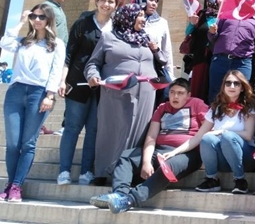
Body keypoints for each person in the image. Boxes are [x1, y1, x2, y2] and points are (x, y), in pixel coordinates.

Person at [88, 78, 209, 214]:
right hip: (159, 151)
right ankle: (119, 194)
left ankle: (131, 199)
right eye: (172, 92)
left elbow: (210, 126)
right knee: (127, 156)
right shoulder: (162, 108)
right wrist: (146, 161)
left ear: (188, 95)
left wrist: (176, 152)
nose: (175, 96)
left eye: (180, 93)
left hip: (187, 154)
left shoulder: (197, 104)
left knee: (167, 167)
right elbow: (151, 137)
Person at [85, 3, 168, 181]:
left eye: (143, 16)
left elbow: (163, 61)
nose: (143, 19)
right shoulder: (108, 37)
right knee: (111, 131)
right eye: (139, 15)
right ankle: (103, 172)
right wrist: (92, 76)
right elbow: (93, 63)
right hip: (116, 93)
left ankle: (132, 172)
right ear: (127, 17)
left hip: (146, 92)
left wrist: (155, 49)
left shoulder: (146, 38)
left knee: (140, 132)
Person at [57, 0, 125, 186]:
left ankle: (87, 170)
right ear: (97, 1)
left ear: (116, 5)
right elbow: (69, 54)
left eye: (111, 1)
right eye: (103, 0)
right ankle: (64, 171)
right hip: (77, 83)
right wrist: (62, 80)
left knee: (94, 130)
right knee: (72, 128)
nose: (106, 4)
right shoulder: (83, 23)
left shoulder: (118, 28)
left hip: (103, 87)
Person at [0, 5, 65, 202]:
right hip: (15, 91)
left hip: (38, 94)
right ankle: (10, 183)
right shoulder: (22, 42)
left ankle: (17, 186)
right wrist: (21, 21)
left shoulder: (56, 44)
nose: (37, 19)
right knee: (12, 144)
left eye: (41, 17)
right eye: (34, 16)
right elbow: (4, 42)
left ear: (48, 20)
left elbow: (56, 71)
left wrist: (50, 95)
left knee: (28, 143)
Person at [194, 70, 255, 194]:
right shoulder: (216, 108)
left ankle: (240, 180)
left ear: (242, 88)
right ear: (223, 86)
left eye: (236, 83)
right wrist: (175, 152)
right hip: (223, 159)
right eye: (228, 83)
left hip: (245, 158)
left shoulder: (249, 107)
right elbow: (198, 136)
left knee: (228, 137)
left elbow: (248, 135)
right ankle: (212, 179)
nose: (232, 86)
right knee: (207, 138)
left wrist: (222, 131)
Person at [207, 15, 255, 102]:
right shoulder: (225, 18)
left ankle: (239, 115)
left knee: (241, 94)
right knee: (216, 93)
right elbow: (212, 38)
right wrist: (212, 32)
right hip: (220, 60)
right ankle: (215, 114)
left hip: (242, 64)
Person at [185, 0, 224, 101]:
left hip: (219, 59)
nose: (224, 0)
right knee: (199, 91)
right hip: (201, 59)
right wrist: (192, 24)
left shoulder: (227, 16)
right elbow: (188, 33)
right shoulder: (202, 15)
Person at [132, 0, 175, 81]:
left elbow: (166, 49)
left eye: (156, 1)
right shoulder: (130, 20)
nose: (154, 4)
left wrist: (170, 73)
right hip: (133, 68)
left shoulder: (162, 23)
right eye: (151, 0)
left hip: (153, 69)